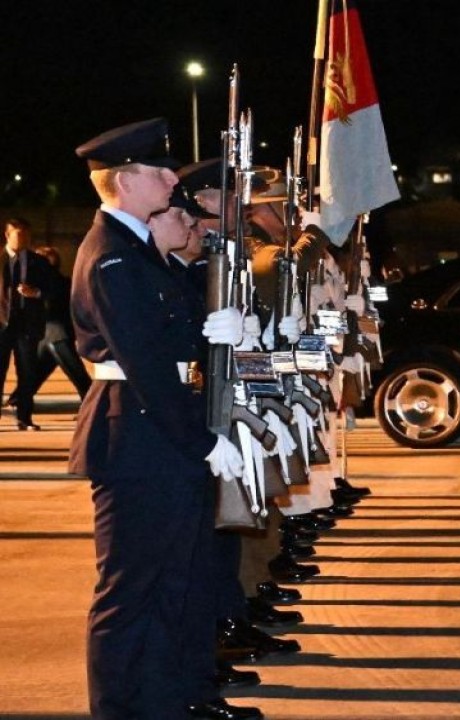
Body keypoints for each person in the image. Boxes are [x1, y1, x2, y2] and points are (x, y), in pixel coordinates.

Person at [71, 117, 259, 720]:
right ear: (126, 181)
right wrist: (202, 441)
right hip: (135, 435)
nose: (173, 181)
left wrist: (215, 334)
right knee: (131, 590)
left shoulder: (137, 252)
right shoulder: (111, 256)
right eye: (161, 172)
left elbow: (173, 338)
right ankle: (122, 708)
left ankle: (175, 699)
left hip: (161, 434)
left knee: (179, 580)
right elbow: (147, 364)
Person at [2, 216, 55, 429]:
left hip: (27, 326)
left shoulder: (39, 262)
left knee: (27, 373)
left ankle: (24, 418)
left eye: (27, 234)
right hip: (2, 325)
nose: (24, 238)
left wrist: (36, 293)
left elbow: (54, 289)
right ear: (7, 235)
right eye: (19, 234)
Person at [28, 245, 93, 399]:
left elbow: (53, 296)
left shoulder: (58, 281)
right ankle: (17, 400)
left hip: (57, 335)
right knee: (35, 373)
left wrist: (37, 293)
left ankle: (93, 402)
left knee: (78, 374)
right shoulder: (36, 283)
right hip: (47, 336)